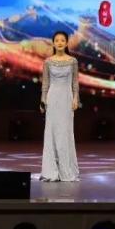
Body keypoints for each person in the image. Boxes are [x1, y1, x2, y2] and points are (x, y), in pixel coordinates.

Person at [39, 31, 80, 182]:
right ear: (53, 43)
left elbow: (75, 82)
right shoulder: (48, 62)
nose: (60, 43)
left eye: (63, 40)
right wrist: (43, 100)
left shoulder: (73, 61)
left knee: (65, 133)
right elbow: (45, 83)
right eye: (57, 40)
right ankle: (51, 171)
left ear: (67, 43)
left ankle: (66, 170)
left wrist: (76, 98)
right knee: (51, 133)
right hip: (52, 98)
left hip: (66, 99)